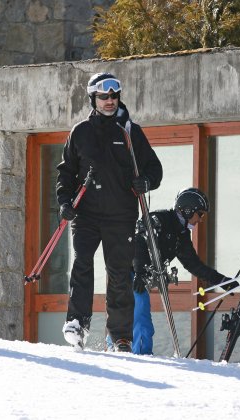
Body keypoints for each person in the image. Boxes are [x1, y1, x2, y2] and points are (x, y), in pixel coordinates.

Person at [57, 72, 163, 352]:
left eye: (114, 96)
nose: (109, 101)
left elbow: (155, 169)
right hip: (86, 214)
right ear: (93, 98)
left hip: (120, 215)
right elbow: (65, 172)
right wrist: (65, 202)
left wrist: (146, 182)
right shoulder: (80, 132)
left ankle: (120, 336)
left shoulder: (129, 131)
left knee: (118, 273)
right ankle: (77, 323)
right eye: (103, 96)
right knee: (82, 264)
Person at [126, 188, 230, 354]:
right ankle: (137, 355)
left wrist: (222, 281)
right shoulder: (159, 220)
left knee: (137, 315)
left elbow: (193, 264)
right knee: (139, 315)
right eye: (200, 214)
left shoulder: (181, 234)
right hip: (128, 272)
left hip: (141, 275)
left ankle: (131, 350)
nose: (201, 220)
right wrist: (139, 272)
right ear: (188, 210)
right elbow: (139, 242)